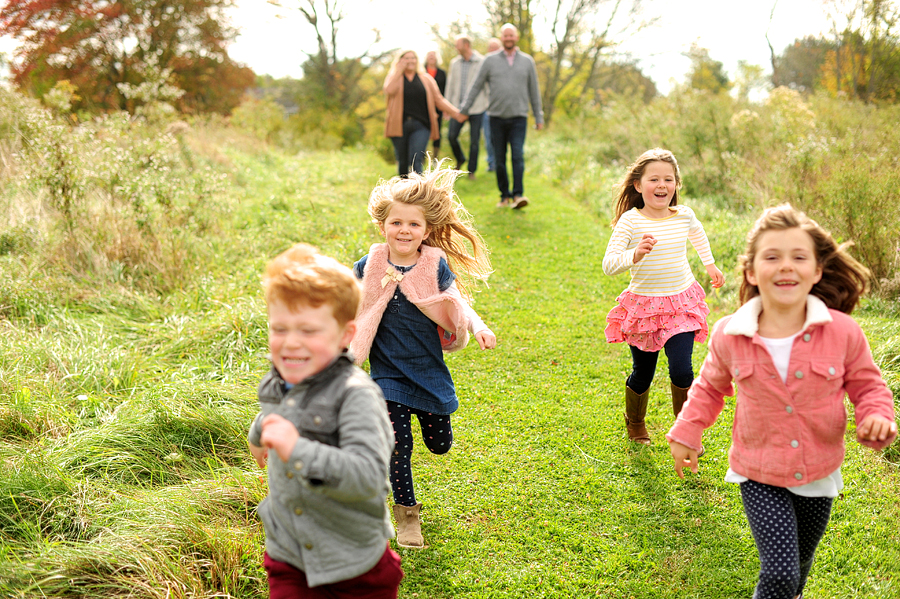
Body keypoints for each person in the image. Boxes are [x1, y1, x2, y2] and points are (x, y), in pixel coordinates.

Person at [667, 204, 897, 599]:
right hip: (758, 470)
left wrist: (876, 415)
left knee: (799, 567)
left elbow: (868, 385)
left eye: (798, 257)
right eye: (772, 257)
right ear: (752, 272)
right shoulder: (731, 333)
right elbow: (708, 387)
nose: (786, 266)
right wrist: (688, 428)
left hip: (820, 471)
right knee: (780, 573)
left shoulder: (843, 332)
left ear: (817, 271)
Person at [351, 164, 497, 549]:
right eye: (396, 222)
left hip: (428, 371)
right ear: (382, 225)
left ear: (426, 231)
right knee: (398, 446)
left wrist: (479, 327)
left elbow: (457, 301)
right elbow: (342, 294)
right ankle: (408, 517)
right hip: (387, 376)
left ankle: (431, 425)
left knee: (440, 444)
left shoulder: (434, 265)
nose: (404, 231)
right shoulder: (371, 264)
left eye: (413, 225)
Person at [248, 243, 403, 598]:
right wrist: (258, 434)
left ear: (345, 336)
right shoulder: (277, 383)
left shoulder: (357, 396)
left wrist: (296, 448)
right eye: (280, 328)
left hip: (355, 565)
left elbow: (367, 477)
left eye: (308, 330)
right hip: (289, 554)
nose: (291, 343)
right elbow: (274, 414)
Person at [602, 148, 725, 445]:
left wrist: (709, 264)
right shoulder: (630, 222)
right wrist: (635, 253)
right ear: (638, 185)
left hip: (681, 304)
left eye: (668, 179)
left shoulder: (684, 215)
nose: (661, 185)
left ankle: (685, 431)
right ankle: (635, 421)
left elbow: (697, 233)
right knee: (643, 373)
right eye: (654, 179)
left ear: (676, 184)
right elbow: (609, 265)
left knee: (683, 369)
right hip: (645, 307)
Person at [457, 24, 543, 209]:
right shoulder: (489, 61)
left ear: (516, 37)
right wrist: (464, 109)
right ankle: (504, 195)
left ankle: (518, 195)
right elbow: (476, 86)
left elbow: (534, 91)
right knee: (499, 158)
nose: (508, 38)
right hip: (496, 117)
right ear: (502, 38)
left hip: (519, 117)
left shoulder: (527, 61)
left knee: (518, 155)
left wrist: (539, 116)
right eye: (505, 36)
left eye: (511, 35)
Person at [384, 49, 459, 178]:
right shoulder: (394, 77)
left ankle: (419, 194)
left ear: (417, 61)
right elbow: (389, 90)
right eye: (406, 58)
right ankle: (403, 194)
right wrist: (398, 71)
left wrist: (456, 113)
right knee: (403, 162)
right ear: (400, 61)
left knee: (416, 160)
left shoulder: (426, 79)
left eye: (413, 58)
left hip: (421, 125)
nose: (410, 61)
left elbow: (439, 99)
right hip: (399, 125)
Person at [444, 36, 488, 180]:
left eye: (458, 45)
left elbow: (486, 84)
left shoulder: (481, 61)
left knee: (474, 141)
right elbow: (450, 85)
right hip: (457, 108)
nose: (456, 48)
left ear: (466, 45)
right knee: (451, 136)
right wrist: (447, 106)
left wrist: (488, 103)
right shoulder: (455, 63)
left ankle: (472, 171)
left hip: (477, 107)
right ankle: (460, 158)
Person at [481, 37, 501, 172]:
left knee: (498, 139)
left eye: (496, 48)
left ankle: (499, 163)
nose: (493, 51)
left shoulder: (504, 65)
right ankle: (492, 163)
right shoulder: (484, 64)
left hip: (501, 109)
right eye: (491, 48)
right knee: (488, 138)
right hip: (486, 108)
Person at [423, 51, 446, 156]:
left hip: (438, 107)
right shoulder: (421, 71)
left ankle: (434, 158)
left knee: (437, 131)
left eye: (434, 55)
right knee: (423, 130)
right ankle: (422, 155)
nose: (431, 57)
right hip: (423, 106)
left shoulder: (442, 73)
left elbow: (445, 90)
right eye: (429, 55)